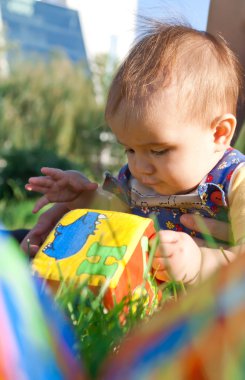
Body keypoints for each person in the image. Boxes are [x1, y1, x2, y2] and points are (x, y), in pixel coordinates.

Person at [23, 22, 245, 285]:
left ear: (219, 132)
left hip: (203, 314)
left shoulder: (234, 181)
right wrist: (82, 196)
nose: (140, 166)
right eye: (129, 149)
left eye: (159, 150)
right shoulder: (137, 178)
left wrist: (199, 263)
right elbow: (117, 217)